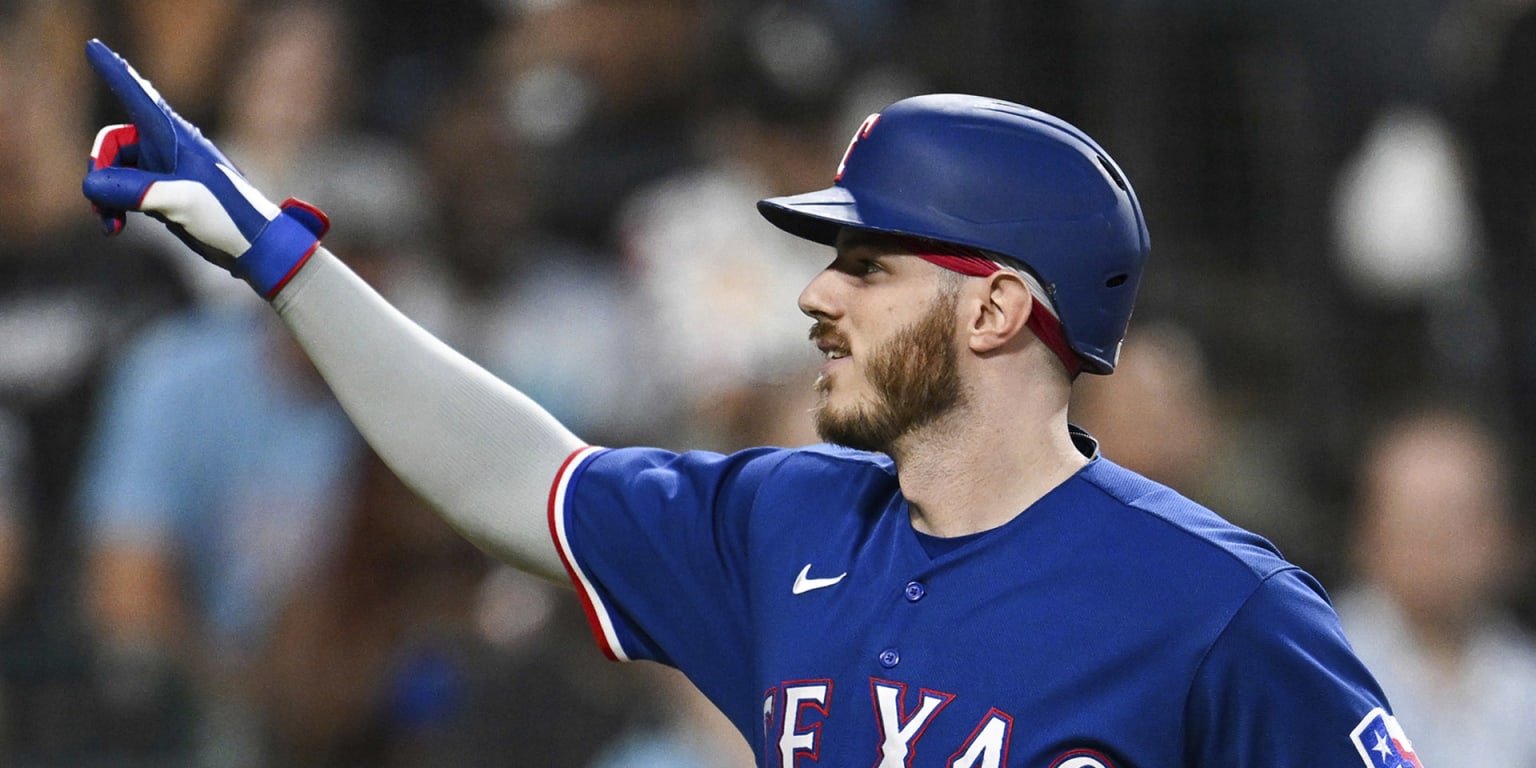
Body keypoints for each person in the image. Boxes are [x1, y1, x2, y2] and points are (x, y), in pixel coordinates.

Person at [78, 39, 1419, 766]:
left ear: (1000, 308)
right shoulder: (787, 523)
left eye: (866, 264)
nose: (814, 298)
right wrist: (287, 265)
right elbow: (517, 483)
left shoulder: (1219, 609)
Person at [1334, 405, 1536, 765]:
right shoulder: (1322, 662)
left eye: (1456, 520)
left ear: (1506, 534)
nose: (1435, 543)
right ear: (1367, 532)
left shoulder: (1524, 680)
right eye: (1415, 520)